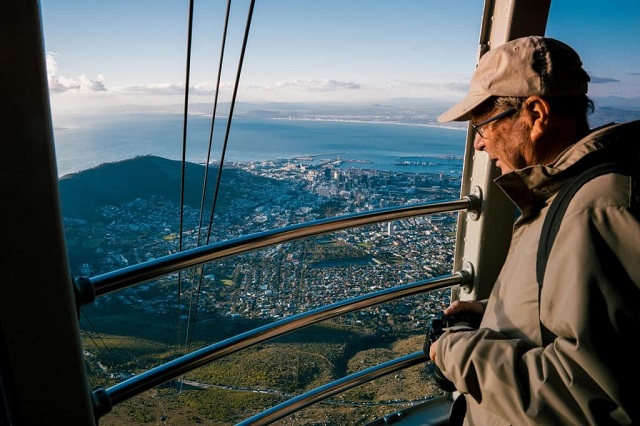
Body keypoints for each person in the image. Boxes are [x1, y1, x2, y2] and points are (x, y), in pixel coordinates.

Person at [429, 35, 640, 425]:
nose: (478, 144)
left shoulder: (601, 208)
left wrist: (456, 351)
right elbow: (582, 323)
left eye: (483, 125)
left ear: (536, 114)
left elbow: (589, 397)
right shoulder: (562, 195)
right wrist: (493, 316)